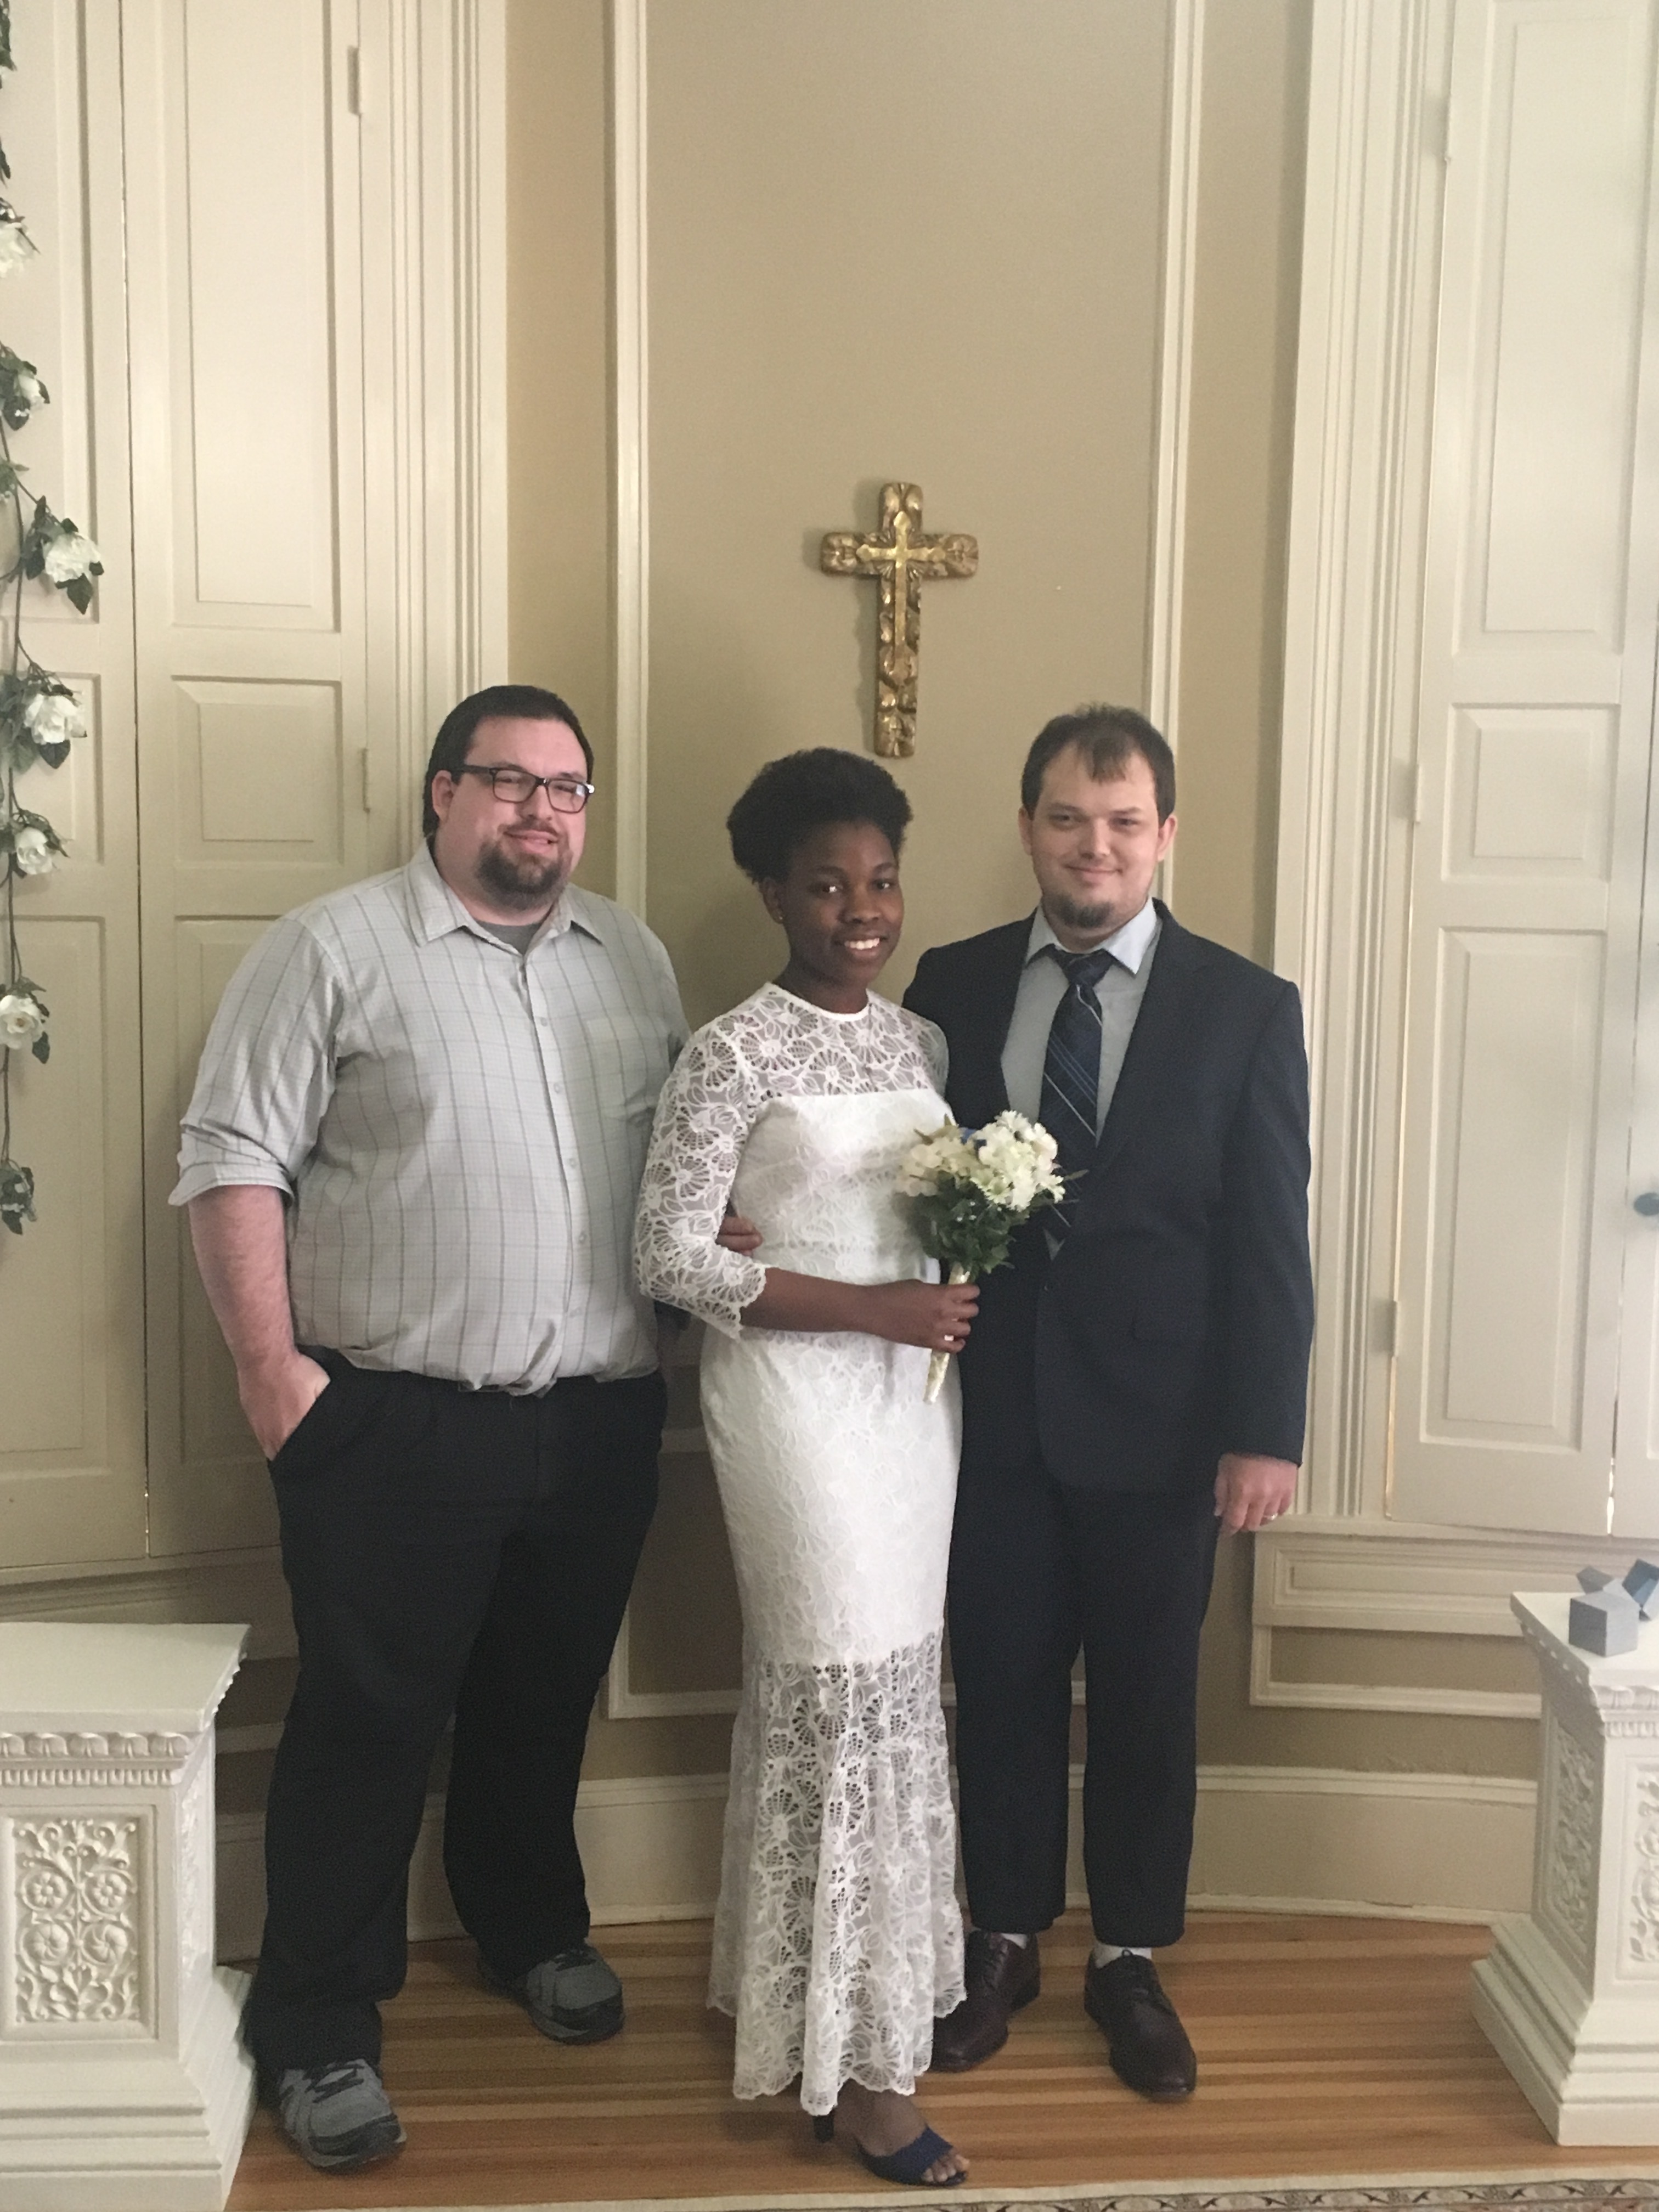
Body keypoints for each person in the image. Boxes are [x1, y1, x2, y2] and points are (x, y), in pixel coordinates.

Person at [173, 684, 687, 2174]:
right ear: (442, 793)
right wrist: (275, 1380)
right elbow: (230, 1157)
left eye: (567, 788)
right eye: (508, 780)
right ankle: (317, 2022)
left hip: (596, 1421)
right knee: (367, 1723)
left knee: (542, 1702)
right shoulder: (332, 948)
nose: (541, 810)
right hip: (392, 1424)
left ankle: (528, 1929)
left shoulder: (632, 958)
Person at [903, 704, 1314, 2100]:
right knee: (1001, 1686)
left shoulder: (1246, 1007)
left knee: (1146, 1704)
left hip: (1167, 1429)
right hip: (992, 1419)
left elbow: (1270, 1237)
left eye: (1125, 822)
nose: (1097, 846)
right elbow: (898, 1180)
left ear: (1165, 836)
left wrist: (1265, 1431)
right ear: (1029, 827)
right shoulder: (952, 985)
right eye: (1070, 819)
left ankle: (1129, 1959)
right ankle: (1004, 1939)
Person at [634, 749, 978, 2189]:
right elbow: (669, 1255)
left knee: (899, 1693)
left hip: (911, 1414)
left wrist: (950, 1275)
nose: (864, 909)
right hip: (793, 1410)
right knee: (834, 1696)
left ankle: (865, 2027)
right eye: (829, 884)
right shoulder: (730, 1054)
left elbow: (929, 1218)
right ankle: (861, 2080)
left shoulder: (919, 1048)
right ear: (772, 891)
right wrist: (870, 1308)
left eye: (882, 880)